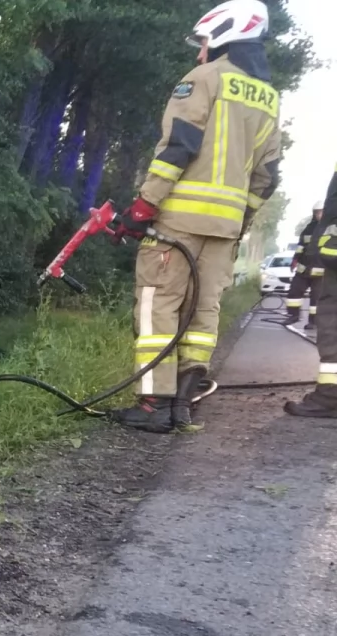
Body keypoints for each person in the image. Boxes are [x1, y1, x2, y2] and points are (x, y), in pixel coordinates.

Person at [110, 0, 282, 433]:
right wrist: (240, 222)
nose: (199, 51)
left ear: (223, 35)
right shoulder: (268, 98)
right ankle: (183, 404)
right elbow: (267, 176)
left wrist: (144, 205)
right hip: (225, 229)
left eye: (203, 41)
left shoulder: (204, 79)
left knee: (158, 304)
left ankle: (153, 405)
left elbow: (178, 148)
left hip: (178, 221)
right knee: (204, 311)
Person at [285, 165, 337, 417]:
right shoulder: (307, 229)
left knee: (332, 321)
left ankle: (330, 397)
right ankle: (294, 316)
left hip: (331, 264)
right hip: (312, 269)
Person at [284, 201, 326, 328]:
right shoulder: (309, 228)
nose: (319, 215)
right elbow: (301, 245)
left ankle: (313, 322)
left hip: (321, 272)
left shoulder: (331, 228)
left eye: (322, 212)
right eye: (317, 212)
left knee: (317, 299)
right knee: (294, 293)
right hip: (303, 269)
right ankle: (293, 316)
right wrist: (295, 259)